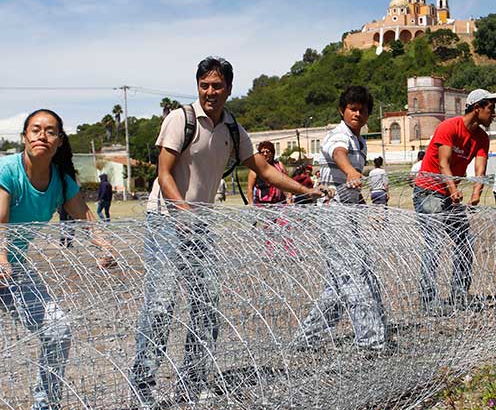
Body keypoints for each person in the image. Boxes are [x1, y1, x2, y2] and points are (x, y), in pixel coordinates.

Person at [130, 57, 321, 407]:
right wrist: (183, 212)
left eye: (217, 86)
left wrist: (305, 191)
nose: (210, 92)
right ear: (197, 86)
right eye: (204, 85)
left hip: (199, 225)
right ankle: (142, 385)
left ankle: (193, 380)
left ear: (229, 89)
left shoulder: (232, 128)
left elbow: (262, 167)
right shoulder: (181, 120)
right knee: (160, 304)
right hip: (167, 221)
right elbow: (164, 173)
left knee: (206, 304)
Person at [0, 109, 116, 409]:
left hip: (14, 270)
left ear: (60, 141)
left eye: (50, 131)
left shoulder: (62, 182)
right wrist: (1, 257)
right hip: (3, 263)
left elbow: (85, 216)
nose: (42, 135)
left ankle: (45, 404)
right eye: (35, 129)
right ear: (25, 136)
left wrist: (103, 245)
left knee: (58, 330)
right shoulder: (7, 170)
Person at [294, 86, 387, 351]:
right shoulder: (338, 135)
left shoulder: (361, 141)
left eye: (362, 109)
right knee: (353, 275)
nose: (357, 113)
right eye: (352, 109)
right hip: (332, 214)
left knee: (339, 283)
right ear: (342, 111)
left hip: (349, 214)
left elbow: (354, 182)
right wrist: (349, 172)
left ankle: (306, 338)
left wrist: (365, 208)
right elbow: (338, 154)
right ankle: (370, 342)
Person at [414, 88, 496, 314]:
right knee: (434, 244)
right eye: (491, 108)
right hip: (429, 190)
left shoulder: (482, 138)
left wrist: (476, 193)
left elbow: (480, 167)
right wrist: (453, 189)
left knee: (465, 241)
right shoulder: (449, 127)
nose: (494, 114)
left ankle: (459, 294)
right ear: (477, 108)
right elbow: (444, 163)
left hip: (451, 195)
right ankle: (427, 300)